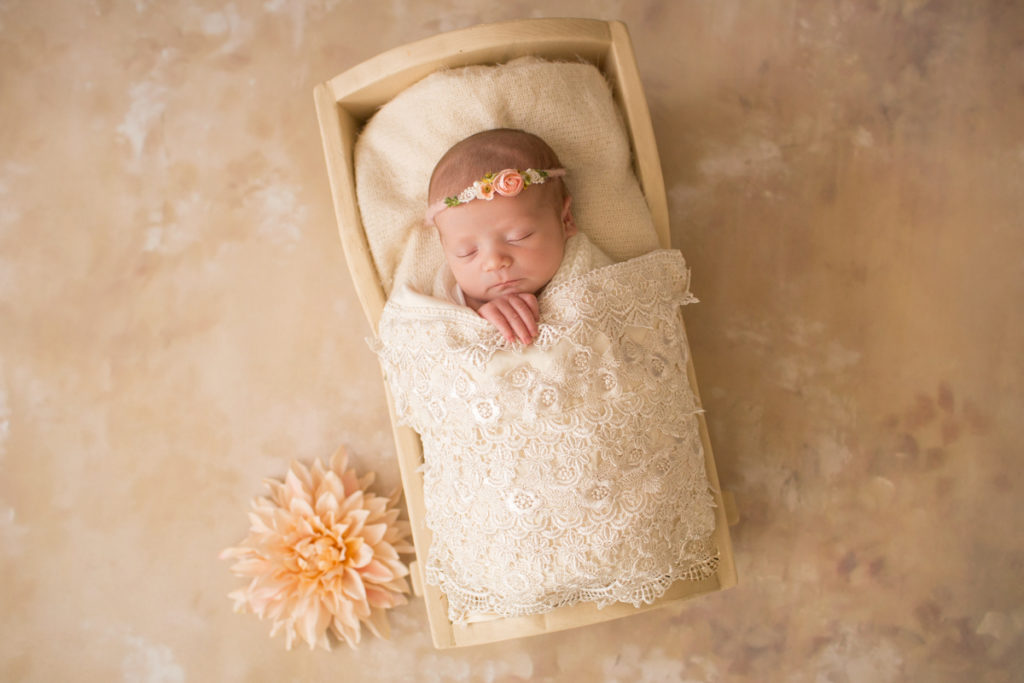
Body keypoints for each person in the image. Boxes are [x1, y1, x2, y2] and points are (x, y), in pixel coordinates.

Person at [425, 129, 578, 346]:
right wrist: (478, 321)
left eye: (519, 237)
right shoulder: (446, 305)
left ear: (566, 221)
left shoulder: (592, 277)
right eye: (467, 252)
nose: (494, 262)